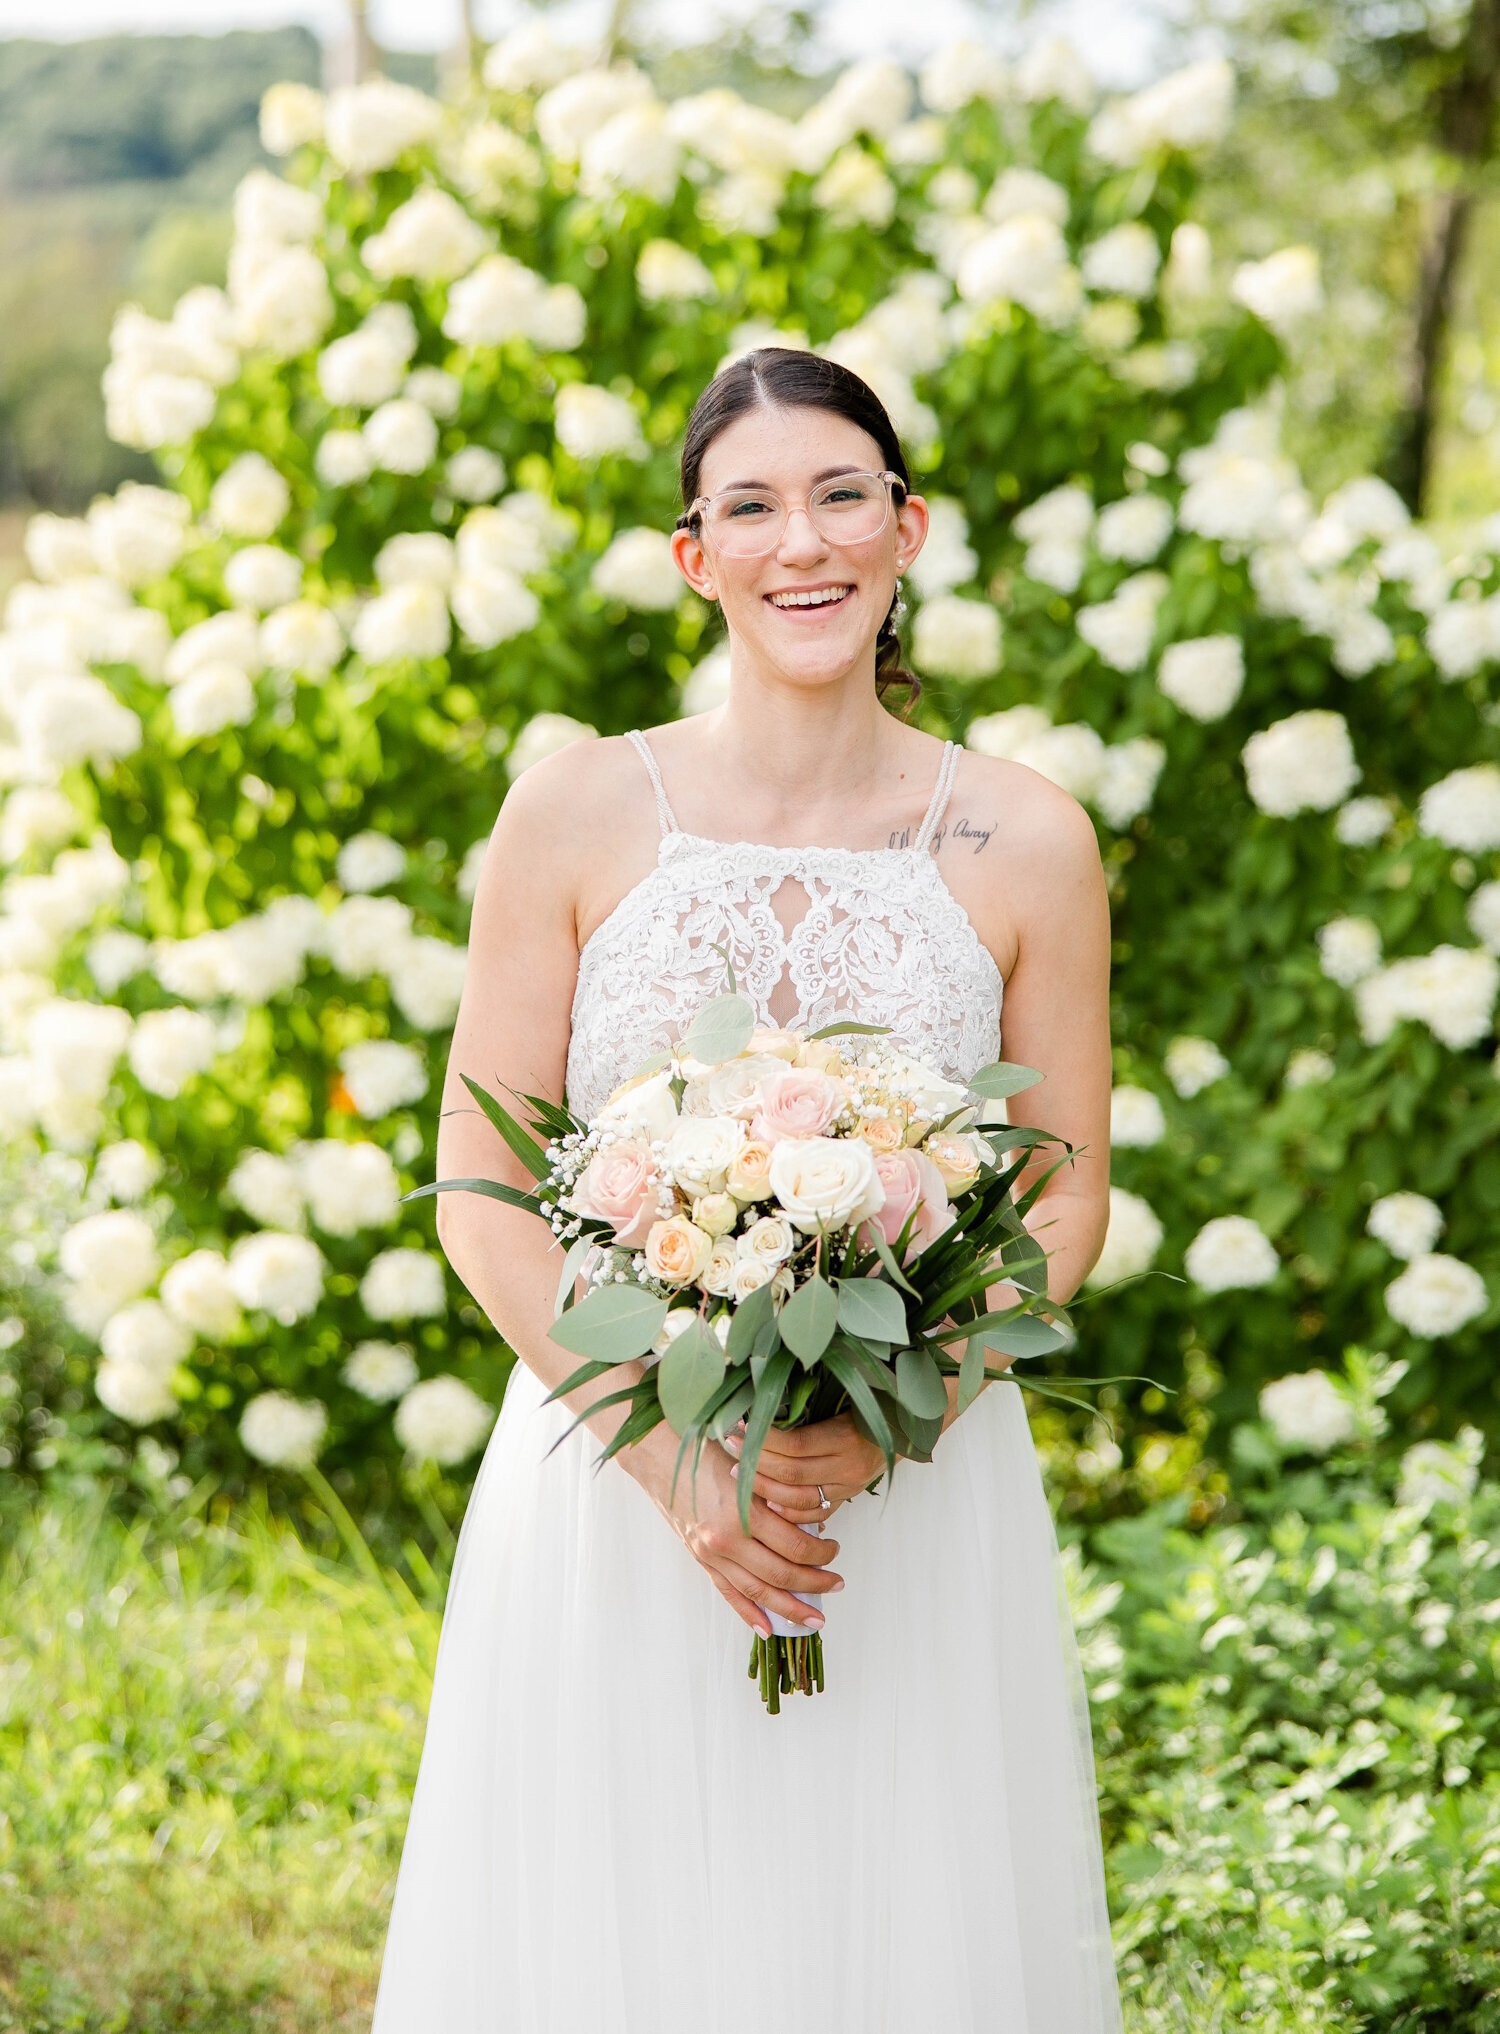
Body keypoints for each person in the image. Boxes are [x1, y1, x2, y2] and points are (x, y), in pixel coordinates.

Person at [371, 347, 1122, 2032]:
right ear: (694, 555)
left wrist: (889, 1417)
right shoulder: (571, 809)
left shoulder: (1026, 837)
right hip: (615, 1475)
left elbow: (1064, 1202)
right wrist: (663, 1447)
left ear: (909, 527)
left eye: (845, 492)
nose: (808, 542)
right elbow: (480, 1185)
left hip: (907, 1499)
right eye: (755, 505)